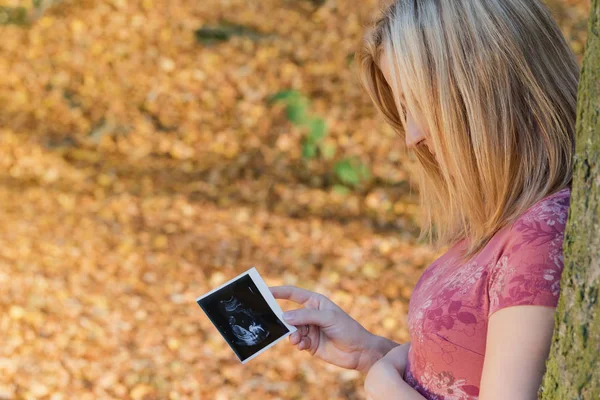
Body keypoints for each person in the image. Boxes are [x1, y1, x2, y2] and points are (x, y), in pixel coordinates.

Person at [269, 0, 579, 399]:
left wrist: (382, 386)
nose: (411, 135)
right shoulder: (503, 223)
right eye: (403, 109)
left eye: (419, 103)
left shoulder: (542, 232)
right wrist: (370, 353)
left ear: (483, 85)